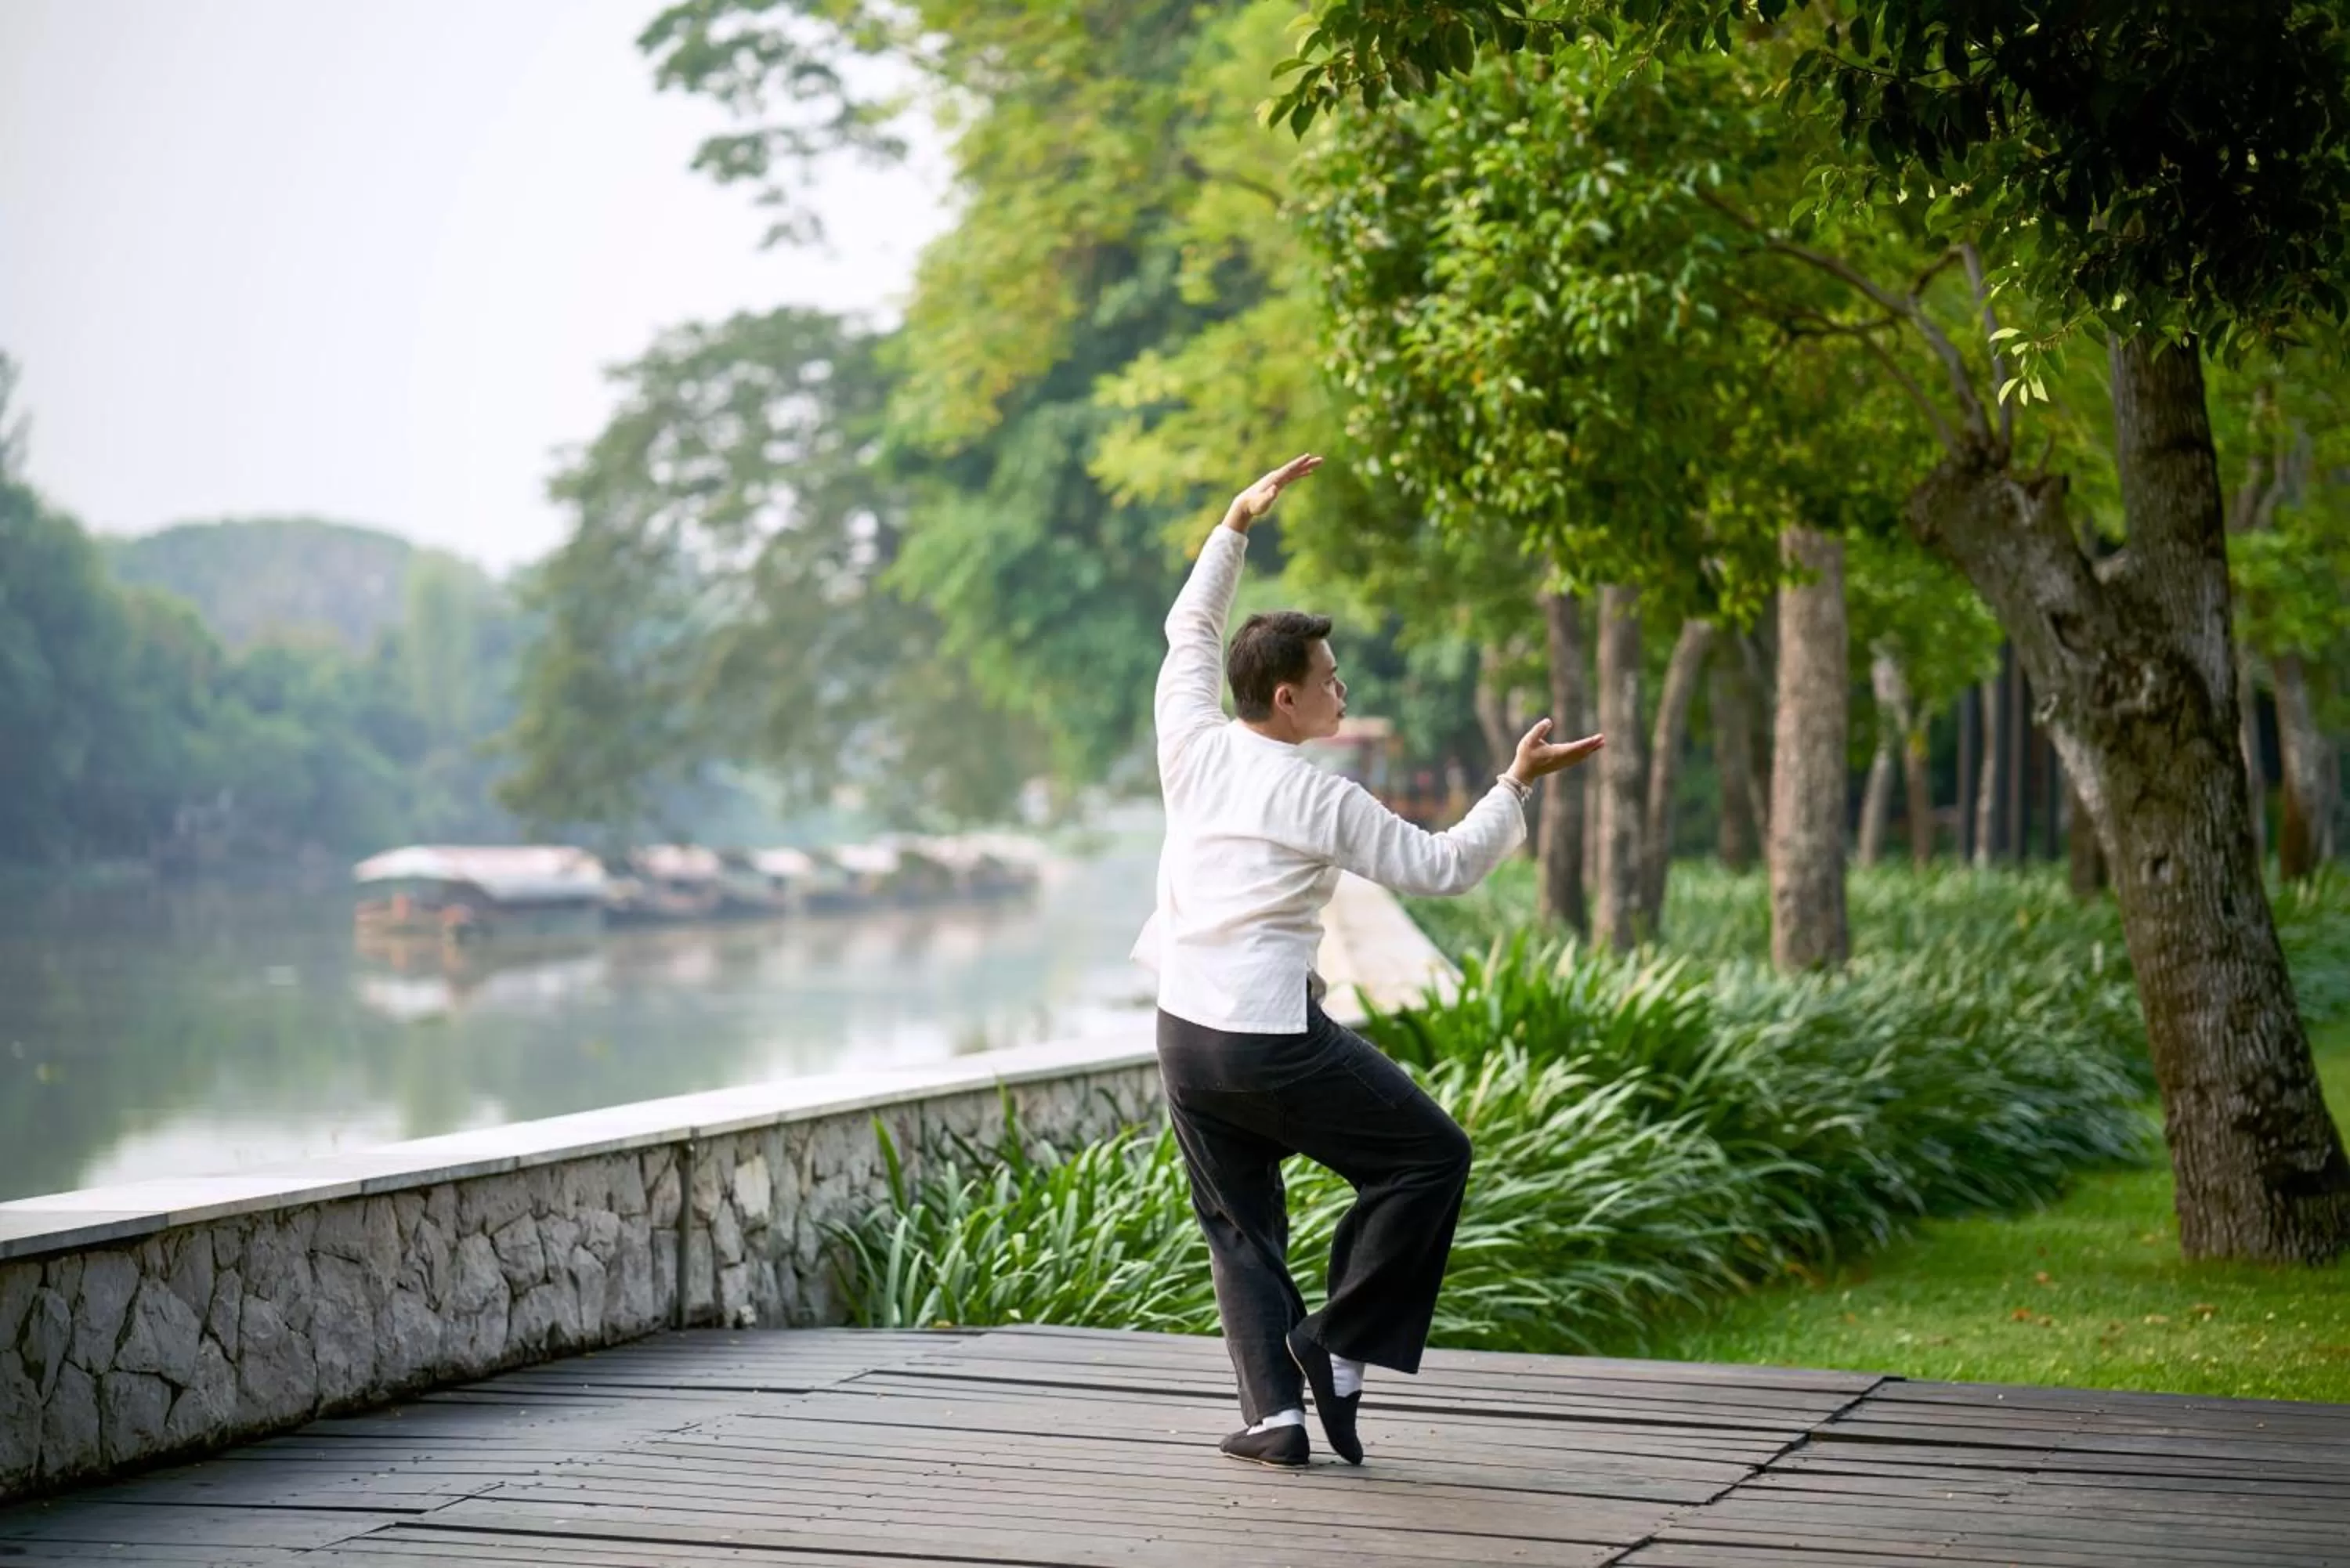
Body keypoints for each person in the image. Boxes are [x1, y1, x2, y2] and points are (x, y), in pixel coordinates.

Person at [1130, 453, 1603, 1469]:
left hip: (1184, 1029)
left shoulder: (1189, 737)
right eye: (1334, 681)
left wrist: (1234, 525)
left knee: (1238, 1221)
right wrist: (1514, 785)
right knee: (1429, 1156)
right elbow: (1441, 866)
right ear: (1290, 697)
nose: (1346, 692)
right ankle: (1336, 1344)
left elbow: (1189, 632)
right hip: (1263, 1035)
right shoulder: (1319, 796)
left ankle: (1276, 1416)